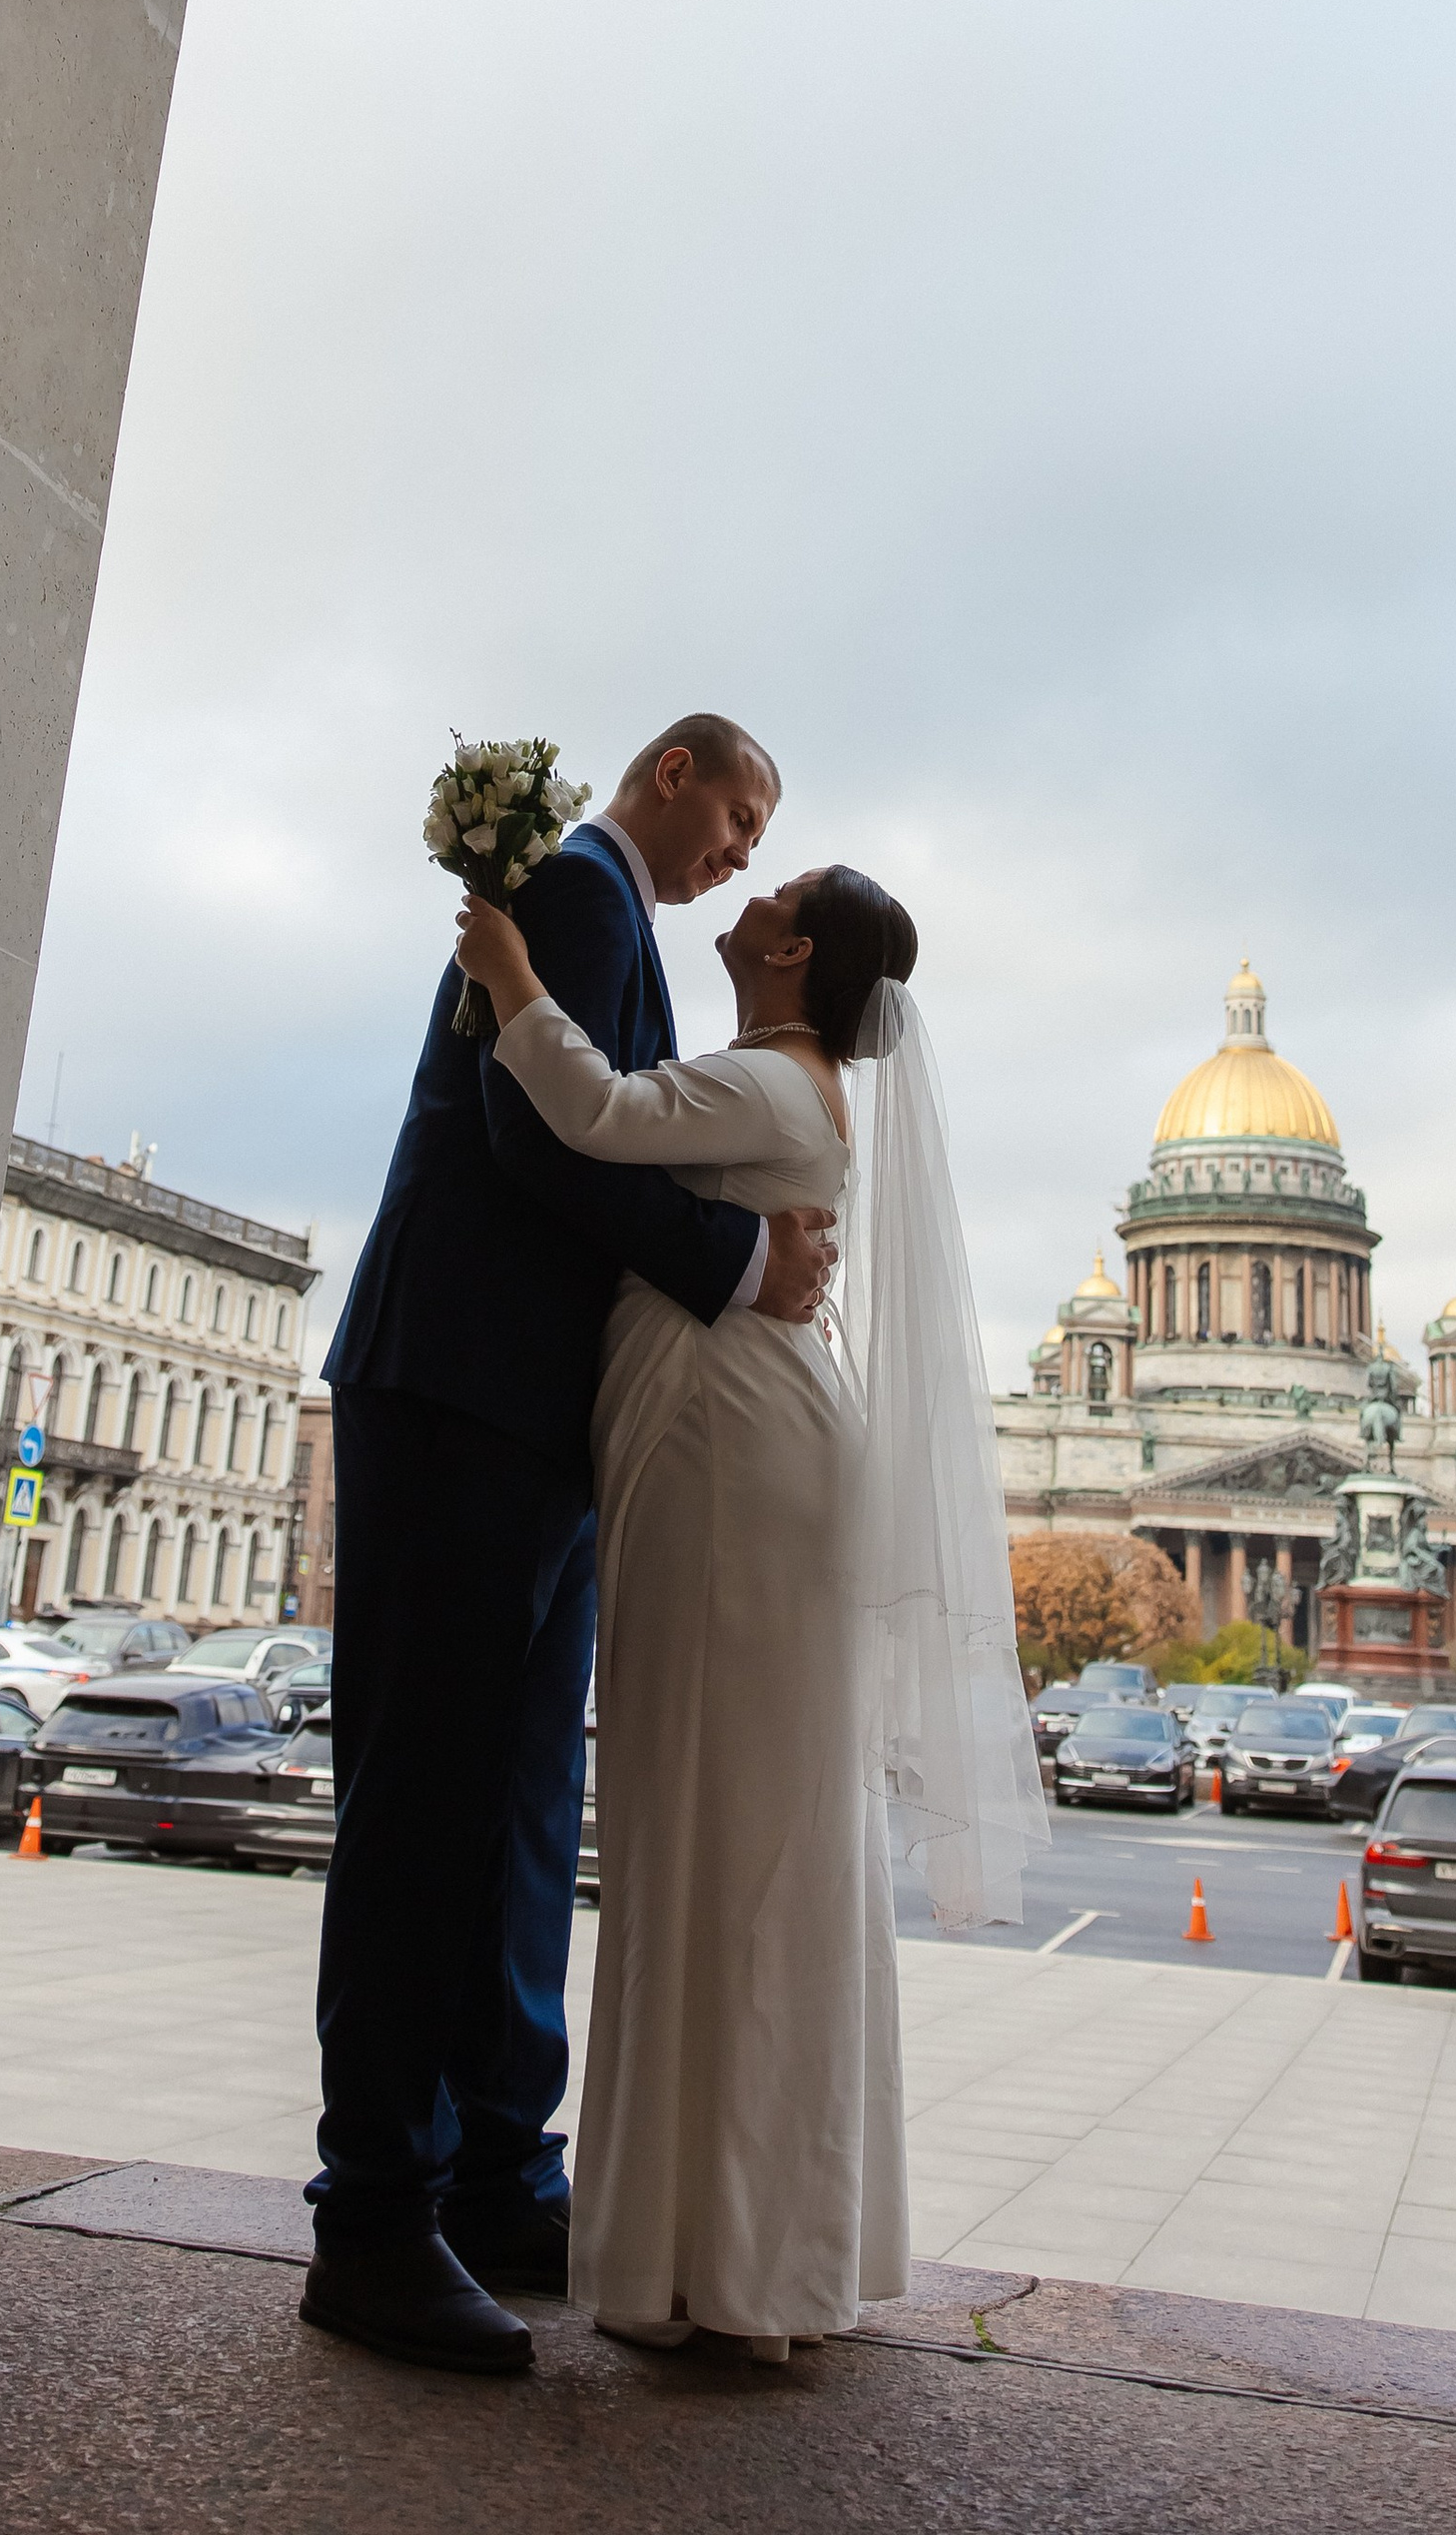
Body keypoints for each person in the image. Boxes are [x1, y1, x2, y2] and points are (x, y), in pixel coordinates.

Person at [301, 718, 840, 2377]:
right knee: (429, 1804)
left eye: (762, 838)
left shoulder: (607, 917)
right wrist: (738, 1259)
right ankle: (375, 2211)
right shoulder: (580, 895)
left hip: (533, 1421)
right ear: (670, 770)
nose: (740, 852)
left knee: (519, 1809)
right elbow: (537, 1128)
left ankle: (488, 2174)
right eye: (739, 813)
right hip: (458, 1387)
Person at [452, 854, 1046, 2357]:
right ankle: (747, 2252)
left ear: (789, 952)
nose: (747, 892)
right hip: (736, 1435)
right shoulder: (793, 1084)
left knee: (718, 1823)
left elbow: (595, 1112)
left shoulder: (775, 1083)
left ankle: (728, 2261)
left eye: (770, 885)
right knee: (741, 1823)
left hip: (731, 1452)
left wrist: (506, 963)